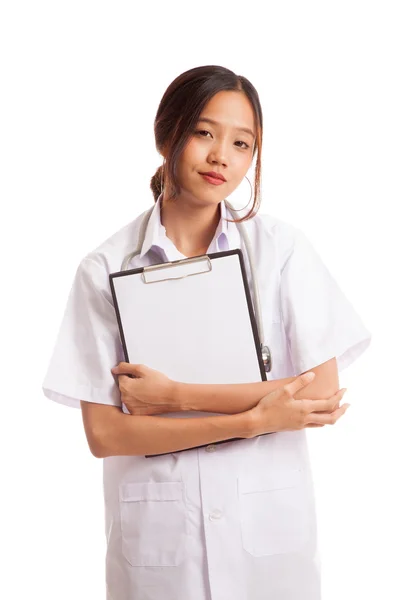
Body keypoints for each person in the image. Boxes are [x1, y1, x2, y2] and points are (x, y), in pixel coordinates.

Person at [42, 65, 371, 600]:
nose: (222, 155)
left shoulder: (281, 251)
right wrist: (257, 419)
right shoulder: (103, 269)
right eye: (204, 132)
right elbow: (105, 434)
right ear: (166, 135)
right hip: (162, 555)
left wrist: (174, 397)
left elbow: (320, 394)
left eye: (242, 143)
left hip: (268, 547)